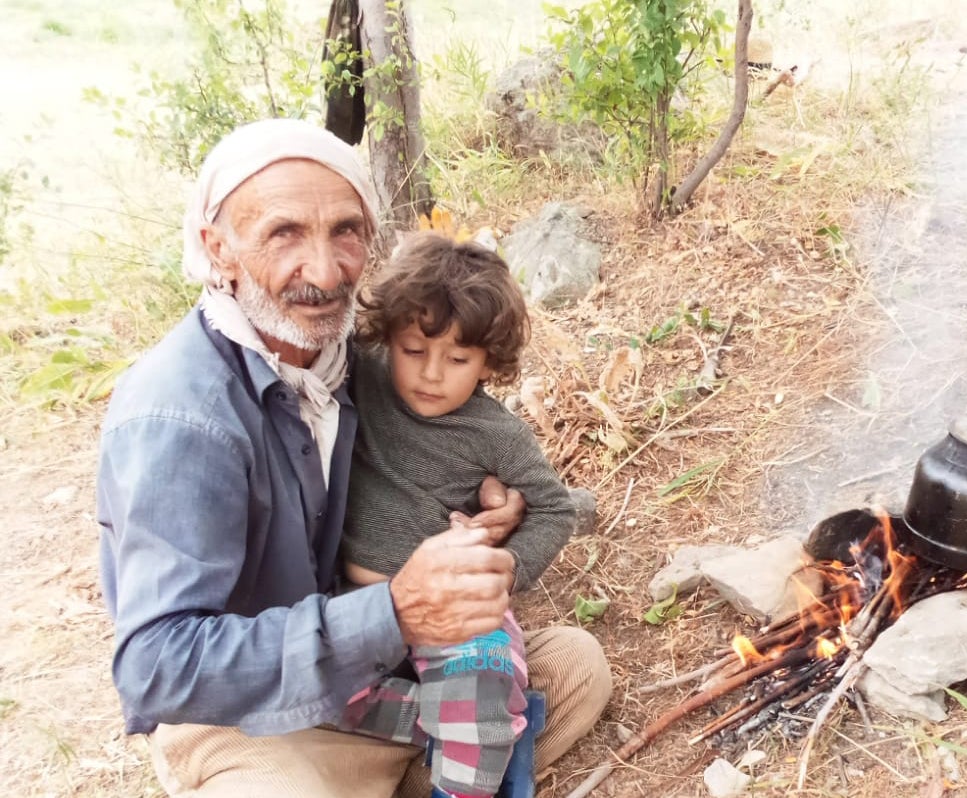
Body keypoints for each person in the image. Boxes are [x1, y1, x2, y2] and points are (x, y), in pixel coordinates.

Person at [96, 118, 611, 798]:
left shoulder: (354, 357)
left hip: (389, 672)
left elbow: (455, 448)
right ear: (218, 248)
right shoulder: (181, 419)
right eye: (284, 233)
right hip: (257, 717)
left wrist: (491, 512)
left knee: (574, 667)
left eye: (345, 230)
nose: (324, 270)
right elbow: (157, 669)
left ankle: (434, 758)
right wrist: (393, 611)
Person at [338, 232, 577, 798]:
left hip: (454, 601)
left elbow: (553, 507)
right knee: (317, 690)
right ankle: (478, 723)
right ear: (388, 338)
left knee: (483, 676)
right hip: (358, 607)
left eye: (458, 359)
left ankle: (467, 754)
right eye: (413, 351)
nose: (431, 374)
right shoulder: (362, 375)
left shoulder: (497, 434)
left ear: (490, 362)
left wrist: (507, 568)